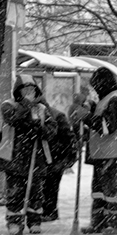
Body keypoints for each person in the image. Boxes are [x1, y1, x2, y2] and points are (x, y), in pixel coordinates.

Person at [0, 79, 59, 235]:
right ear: (18, 91)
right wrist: (26, 106)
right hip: (14, 156)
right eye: (25, 89)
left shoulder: (42, 108)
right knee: (15, 191)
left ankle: (34, 220)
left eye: (32, 89)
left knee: (36, 192)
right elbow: (13, 120)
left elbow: (52, 129)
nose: (29, 93)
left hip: (37, 157)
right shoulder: (8, 105)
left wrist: (41, 129)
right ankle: (14, 221)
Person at [81, 68, 117, 234]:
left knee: (112, 191)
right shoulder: (108, 98)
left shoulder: (116, 99)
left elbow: (108, 126)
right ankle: (99, 223)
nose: (95, 90)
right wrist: (92, 108)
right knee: (99, 192)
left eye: (96, 86)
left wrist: (86, 117)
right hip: (103, 153)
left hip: (112, 153)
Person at [39, 94, 77, 222]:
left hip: (55, 158)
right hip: (45, 158)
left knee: (50, 186)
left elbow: (69, 138)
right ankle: (44, 211)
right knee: (44, 186)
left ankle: (49, 212)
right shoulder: (53, 115)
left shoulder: (56, 116)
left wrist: (69, 157)